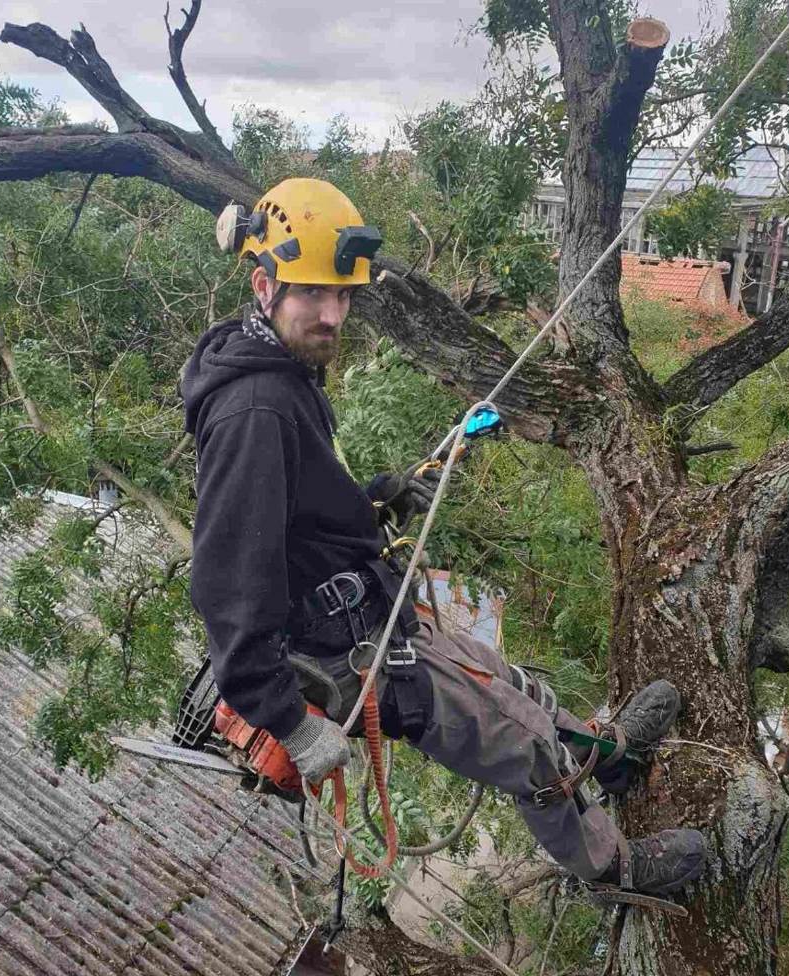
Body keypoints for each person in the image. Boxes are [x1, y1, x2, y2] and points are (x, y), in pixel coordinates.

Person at [182, 177, 705, 895]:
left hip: (369, 611)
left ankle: (609, 759)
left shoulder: (280, 367)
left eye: (343, 296)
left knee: (514, 686)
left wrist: (368, 507)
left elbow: (294, 514)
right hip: (344, 655)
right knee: (525, 747)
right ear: (264, 285)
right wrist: (289, 724)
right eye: (313, 294)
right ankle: (613, 869)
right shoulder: (254, 408)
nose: (333, 315)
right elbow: (225, 583)